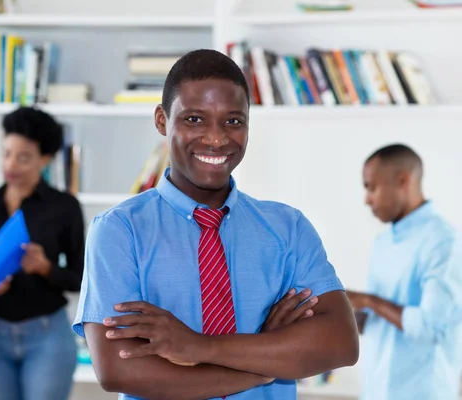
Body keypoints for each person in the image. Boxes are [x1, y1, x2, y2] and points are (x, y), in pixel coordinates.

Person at [73, 49, 359, 400]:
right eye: (194, 119)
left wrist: (198, 347)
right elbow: (119, 370)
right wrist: (267, 362)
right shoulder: (120, 231)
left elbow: (341, 343)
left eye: (233, 121)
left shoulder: (289, 229)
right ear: (162, 120)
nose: (216, 138)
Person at [0, 106, 85, 400]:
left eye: (23, 157)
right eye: (7, 153)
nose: (10, 164)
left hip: (47, 336)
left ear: (45, 159)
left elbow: (80, 279)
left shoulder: (64, 207)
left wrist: (45, 268)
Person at [347, 144, 462, 400]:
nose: (367, 200)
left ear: (402, 180)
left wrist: (368, 300)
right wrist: (337, 313)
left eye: (371, 187)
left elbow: (431, 326)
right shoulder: (382, 244)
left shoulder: (445, 242)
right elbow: (378, 322)